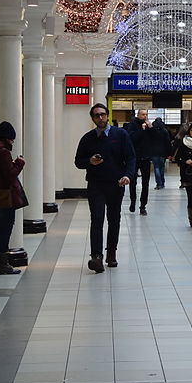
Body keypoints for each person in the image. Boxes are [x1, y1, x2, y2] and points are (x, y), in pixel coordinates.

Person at [74, 103, 135, 273]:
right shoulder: (87, 138)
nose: (100, 118)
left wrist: (127, 175)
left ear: (107, 115)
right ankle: (97, 256)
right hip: (96, 185)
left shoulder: (120, 135)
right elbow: (78, 161)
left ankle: (111, 254)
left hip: (116, 184)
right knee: (97, 219)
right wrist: (89, 162)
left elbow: (131, 157)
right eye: (96, 115)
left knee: (114, 219)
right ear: (92, 118)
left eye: (102, 114)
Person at [0, 121, 28, 275]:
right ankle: (1, 264)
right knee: (5, 229)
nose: (12, 142)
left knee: (0, 228)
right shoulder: (2, 152)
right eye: (12, 139)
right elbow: (9, 175)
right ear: (7, 137)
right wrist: (19, 164)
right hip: (6, 196)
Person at [125, 108, 152, 214]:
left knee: (146, 183)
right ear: (138, 115)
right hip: (134, 158)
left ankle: (143, 206)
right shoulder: (132, 125)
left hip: (146, 158)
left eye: (146, 114)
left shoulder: (149, 125)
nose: (144, 116)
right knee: (132, 182)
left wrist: (151, 128)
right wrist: (142, 129)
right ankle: (133, 202)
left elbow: (155, 138)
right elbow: (132, 138)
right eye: (142, 114)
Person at [146, 117, 172, 189]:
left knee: (156, 168)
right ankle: (162, 182)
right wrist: (170, 153)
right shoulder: (164, 131)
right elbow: (168, 143)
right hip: (163, 152)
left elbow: (148, 142)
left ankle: (159, 184)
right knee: (161, 168)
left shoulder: (152, 131)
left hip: (154, 152)